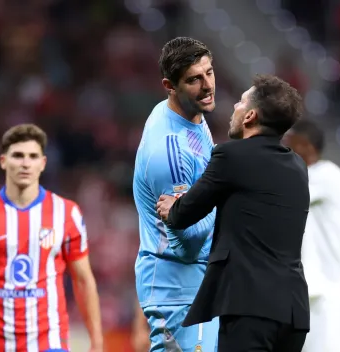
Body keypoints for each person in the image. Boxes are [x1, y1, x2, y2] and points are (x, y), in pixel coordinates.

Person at [156, 74, 310, 352]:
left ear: (251, 115)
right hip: (294, 311)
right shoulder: (298, 165)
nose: (234, 108)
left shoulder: (232, 155)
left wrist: (172, 206)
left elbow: (184, 214)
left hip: (250, 308)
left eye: (240, 102)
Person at [0, 124, 103, 352]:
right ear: (3, 161)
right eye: (18, 156)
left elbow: (83, 280)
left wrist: (96, 342)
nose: (25, 163)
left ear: (43, 163)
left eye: (32, 156)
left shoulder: (66, 213)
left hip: (50, 343)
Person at [132, 37, 218, 352]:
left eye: (209, 72)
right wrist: (224, 197)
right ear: (170, 85)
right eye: (194, 79)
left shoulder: (190, 114)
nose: (207, 85)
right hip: (178, 287)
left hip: (194, 284)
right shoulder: (171, 153)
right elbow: (188, 244)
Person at [283, 120, 340, 352]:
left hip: (332, 298)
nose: (283, 149)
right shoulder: (315, 179)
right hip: (320, 297)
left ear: (307, 147)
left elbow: (277, 193)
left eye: (290, 143)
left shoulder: (326, 175)